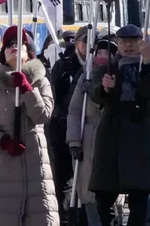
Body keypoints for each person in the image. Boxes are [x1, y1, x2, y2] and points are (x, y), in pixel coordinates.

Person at [0, 26, 58, 226]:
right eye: (9, 44)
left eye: (18, 44)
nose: (14, 47)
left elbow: (43, 115)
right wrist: (2, 141)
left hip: (34, 167)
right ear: (3, 53)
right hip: (2, 167)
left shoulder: (41, 82)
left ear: (28, 51)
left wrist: (28, 90)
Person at [88, 25, 150, 226]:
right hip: (111, 136)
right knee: (104, 195)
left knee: (138, 196)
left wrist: (147, 63)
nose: (128, 45)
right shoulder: (108, 67)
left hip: (140, 137)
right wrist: (104, 88)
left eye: (133, 41)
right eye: (123, 41)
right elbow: (95, 94)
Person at [69, 35, 114, 226]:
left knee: (110, 193)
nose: (103, 56)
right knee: (88, 192)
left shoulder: (118, 75)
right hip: (87, 139)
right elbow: (74, 111)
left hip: (110, 138)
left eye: (108, 53)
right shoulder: (84, 77)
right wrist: (73, 142)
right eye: (100, 52)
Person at [50, 27, 87, 208]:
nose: (89, 46)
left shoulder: (101, 64)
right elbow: (53, 96)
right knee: (65, 176)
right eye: (85, 42)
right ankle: (67, 214)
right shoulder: (63, 65)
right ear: (77, 43)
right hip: (63, 128)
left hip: (89, 129)